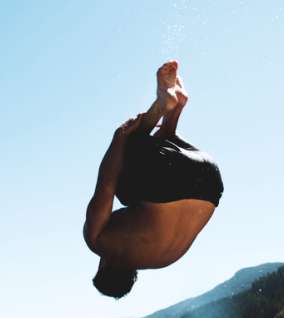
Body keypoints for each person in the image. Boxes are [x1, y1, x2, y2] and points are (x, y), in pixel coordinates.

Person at [83, 60, 223, 299]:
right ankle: (164, 104)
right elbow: (106, 185)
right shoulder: (99, 242)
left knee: (149, 176)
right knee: (124, 174)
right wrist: (120, 137)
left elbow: (171, 181)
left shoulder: (163, 260)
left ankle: (175, 107)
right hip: (166, 182)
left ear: (132, 275)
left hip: (209, 179)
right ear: (103, 266)